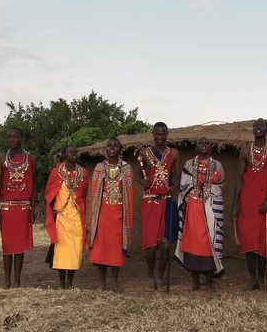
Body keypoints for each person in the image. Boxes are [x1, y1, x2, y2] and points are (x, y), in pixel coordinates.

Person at [233, 118, 267, 290]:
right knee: (248, 240)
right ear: (252, 129)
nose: (258, 128)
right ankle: (252, 278)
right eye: (256, 125)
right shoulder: (245, 151)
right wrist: (236, 204)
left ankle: (262, 277)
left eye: (262, 125)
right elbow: (239, 179)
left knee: (264, 241)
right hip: (248, 202)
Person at [174, 136, 225, 290]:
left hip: (211, 207)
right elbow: (183, 186)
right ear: (196, 147)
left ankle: (209, 281)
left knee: (210, 243)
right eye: (201, 143)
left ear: (211, 146)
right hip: (193, 209)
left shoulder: (218, 165)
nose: (204, 145)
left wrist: (207, 192)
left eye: (207, 143)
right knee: (192, 243)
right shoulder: (189, 164)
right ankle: (195, 281)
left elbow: (219, 186)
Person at [136, 122, 181, 291]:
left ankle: (160, 276)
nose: (160, 137)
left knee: (166, 244)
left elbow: (177, 177)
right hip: (150, 201)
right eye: (157, 134)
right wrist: (143, 181)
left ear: (167, 134)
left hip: (167, 201)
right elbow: (138, 174)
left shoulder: (174, 154)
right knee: (151, 245)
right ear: (153, 133)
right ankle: (150, 274)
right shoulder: (144, 153)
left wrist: (174, 187)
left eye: (163, 134)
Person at [87, 138, 134, 291]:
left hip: (119, 213)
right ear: (105, 149)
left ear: (120, 149)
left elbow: (129, 193)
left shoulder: (126, 168)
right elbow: (94, 193)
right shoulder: (99, 167)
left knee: (116, 250)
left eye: (115, 146)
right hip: (102, 213)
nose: (112, 148)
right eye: (109, 146)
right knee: (102, 249)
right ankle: (102, 283)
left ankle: (114, 282)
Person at [0, 127, 37, 288]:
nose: (12, 140)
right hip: (6, 208)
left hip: (23, 208)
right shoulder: (1, 159)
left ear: (22, 138)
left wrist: (34, 206)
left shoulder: (31, 159)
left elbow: (34, 184)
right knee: (7, 246)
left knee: (20, 247)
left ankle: (18, 280)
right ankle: (7, 280)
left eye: (15, 137)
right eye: (9, 137)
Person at [44, 145, 89, 289]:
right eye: (71, 152)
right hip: (61, 217)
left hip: (76, 217)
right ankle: (62, 283)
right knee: (62, 252)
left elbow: (84, 195)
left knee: (74, 252)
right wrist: (53, 212)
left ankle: (70, 282)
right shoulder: (56, 173)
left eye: (76, 151)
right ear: (64, 154)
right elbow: (49, 195)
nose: (74, 154)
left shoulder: (83, 173)